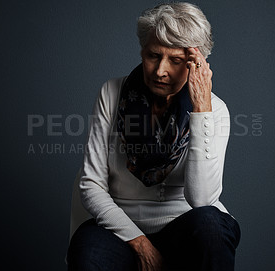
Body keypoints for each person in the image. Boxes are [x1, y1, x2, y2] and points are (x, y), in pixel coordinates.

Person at [67, 2, 240, 271]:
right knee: (88, 255)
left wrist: (201, 111)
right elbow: (92, 185)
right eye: (153, 56)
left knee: (211, 225)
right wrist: (139, 242)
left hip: (187, 225)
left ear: (196, 64)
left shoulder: (214, 109)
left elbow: (202, 200)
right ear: (142, 51)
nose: (161, 71)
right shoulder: (112, 94)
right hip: (120, 227)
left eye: (176, 60)